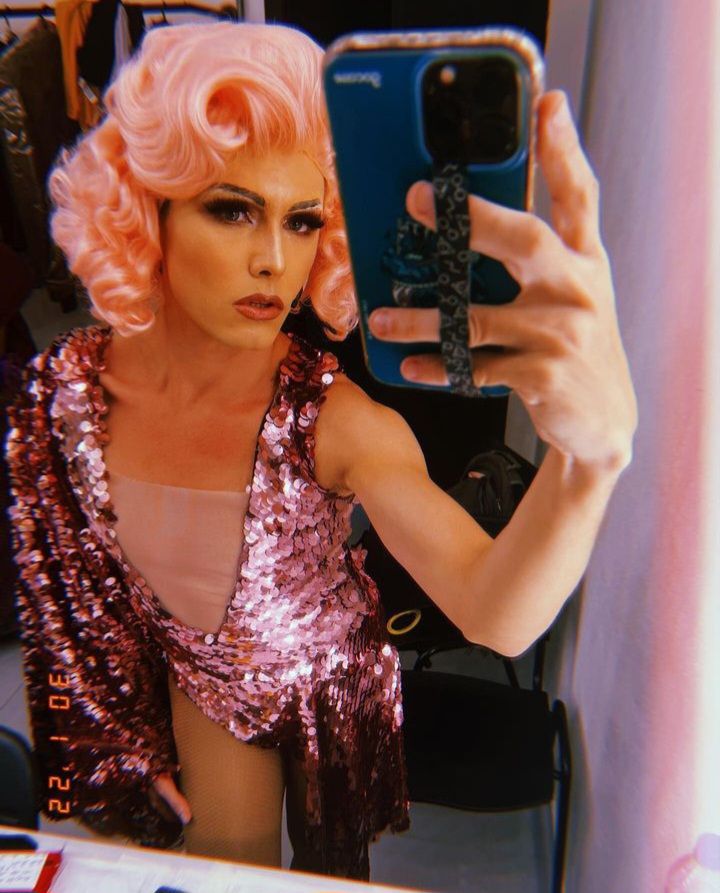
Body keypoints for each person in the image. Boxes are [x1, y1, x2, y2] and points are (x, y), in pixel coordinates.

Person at [3, 20, 637, 883]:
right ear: (148, 208)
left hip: (318, 681)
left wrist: (593, 459)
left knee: (304, 867)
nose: (274, 260)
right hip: (183, 676)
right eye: (233, 209)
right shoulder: (64, 394)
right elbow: (62, 590)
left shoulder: (333, 421)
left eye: (302, 220)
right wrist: (105, 741)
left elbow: (498, 612)